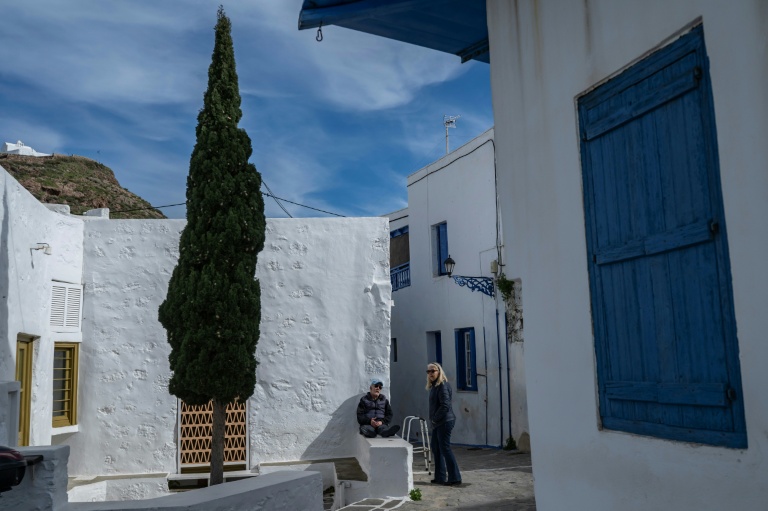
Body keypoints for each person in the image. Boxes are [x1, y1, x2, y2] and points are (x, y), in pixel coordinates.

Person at [427, 362, 462, 486]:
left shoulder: (442, 386)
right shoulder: (434, 386)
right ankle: (440, 477)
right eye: (428, 371)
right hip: (438, 422)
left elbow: (445, 405)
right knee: (436, 447)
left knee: (445, 448)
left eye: (433, 371)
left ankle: (455, 477)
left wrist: (435, 419)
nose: (430, 373)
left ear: (439, 372)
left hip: (444, 421)